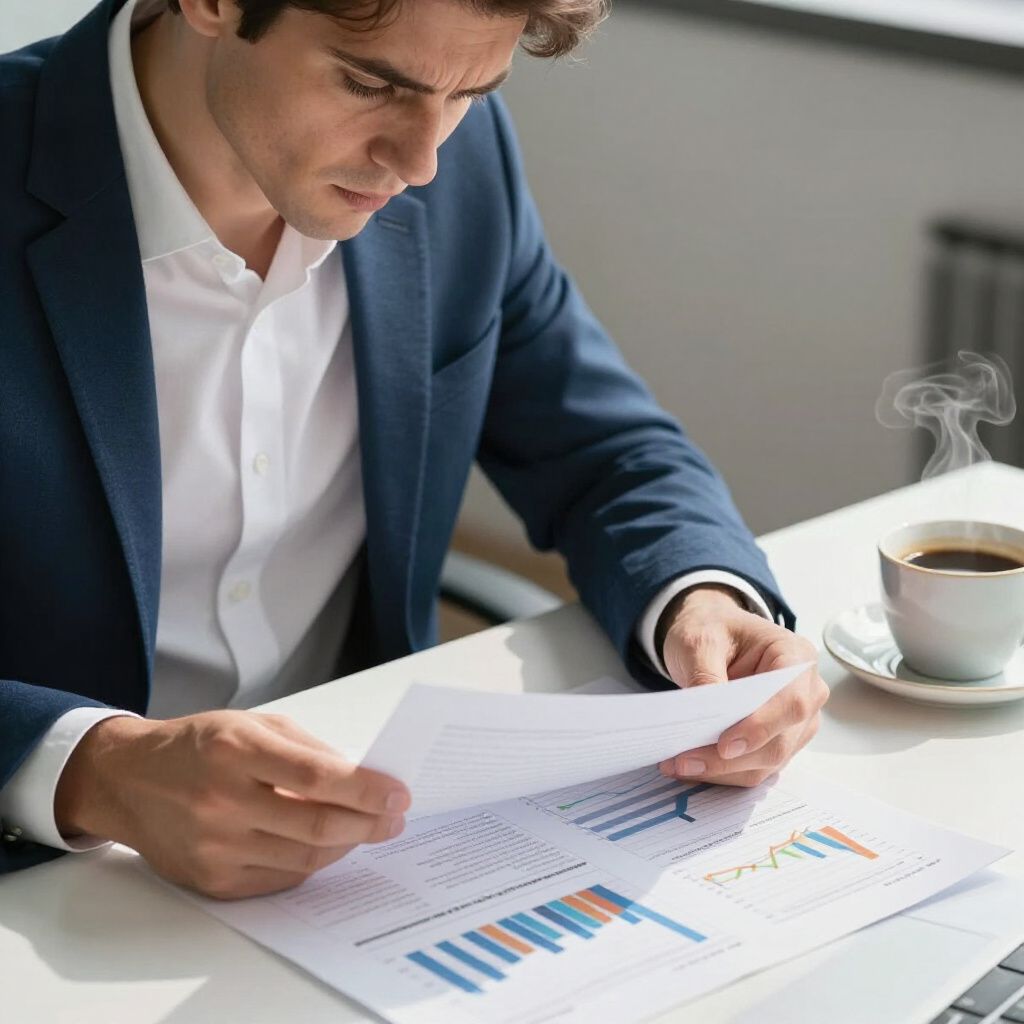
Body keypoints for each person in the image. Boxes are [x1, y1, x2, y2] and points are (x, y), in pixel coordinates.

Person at [0, 0, 826, 898]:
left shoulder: (460, 162)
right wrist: (95, 768)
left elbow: (603, 445)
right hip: (49, 881)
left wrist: (701, 595)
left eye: (470, 92)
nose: (421, 162)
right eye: (367, 83)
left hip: (357, 863)